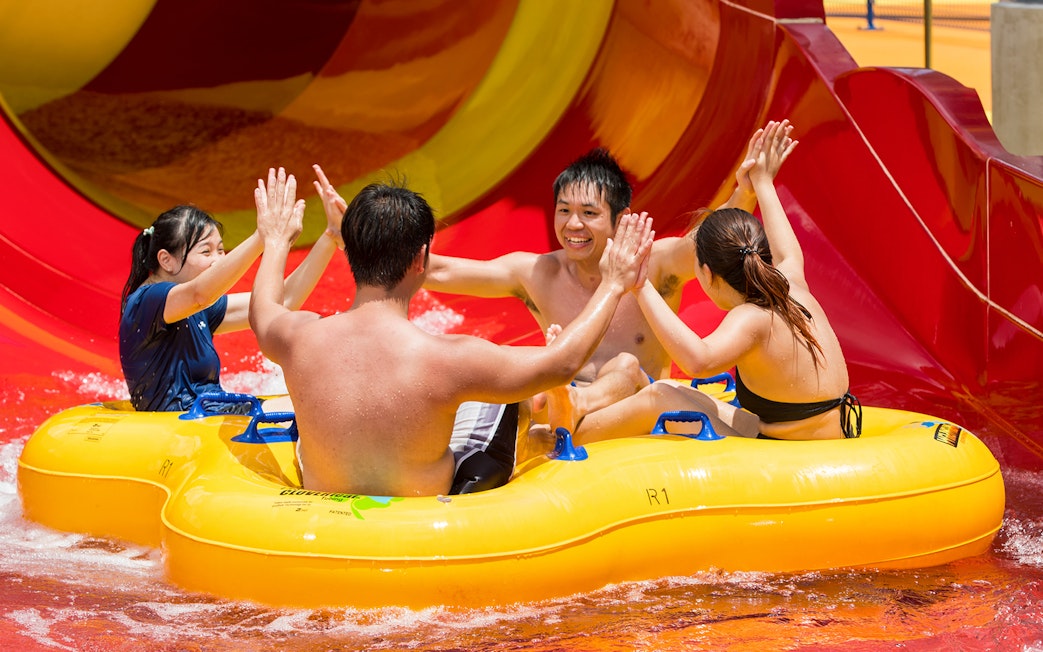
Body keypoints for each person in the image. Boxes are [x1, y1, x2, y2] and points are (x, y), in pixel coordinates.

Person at [248, 175, 653, 497]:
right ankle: (556, 426)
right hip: (428, 504)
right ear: (421, 259)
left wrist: (277, 239)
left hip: (321, 501)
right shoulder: (449, 358)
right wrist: (614, 283)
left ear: (350, 253)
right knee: (514, 397)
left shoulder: (296, 335)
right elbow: (562, 362)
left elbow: (262, 311)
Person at [423, 122, 792, 423]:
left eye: (589, 213)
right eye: (563, 210)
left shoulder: (655, 263)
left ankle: (578, 405)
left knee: (625, 365)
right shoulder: (536, 272)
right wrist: (382, 240)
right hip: (561, 403)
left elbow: (708, 238)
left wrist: (746, 191)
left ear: (621, 219)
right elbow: (441, 271)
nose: (573, 225)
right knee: (505, 364)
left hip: (633, 407)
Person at [559, 120, 861, 443]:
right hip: (827, 432)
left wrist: (639, 284)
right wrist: (762, 180)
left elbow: (698, 361)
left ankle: (555, 437)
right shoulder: (791, 281)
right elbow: (786, 250)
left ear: (706, 273)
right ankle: (579, 408)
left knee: (659, 396)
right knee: (672, 388)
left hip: (797, 451)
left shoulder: (751, 319)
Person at [119, 166, 344, 413]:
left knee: (324, 397)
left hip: (207, 415)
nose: (218, 260)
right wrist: (264, 237)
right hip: (182, 428)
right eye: (206, 251)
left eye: (221, 250)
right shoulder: (148, 299)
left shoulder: (196, 307)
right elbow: (200, 294)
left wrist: (330, 237)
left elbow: (282, 302)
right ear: (166, 260)